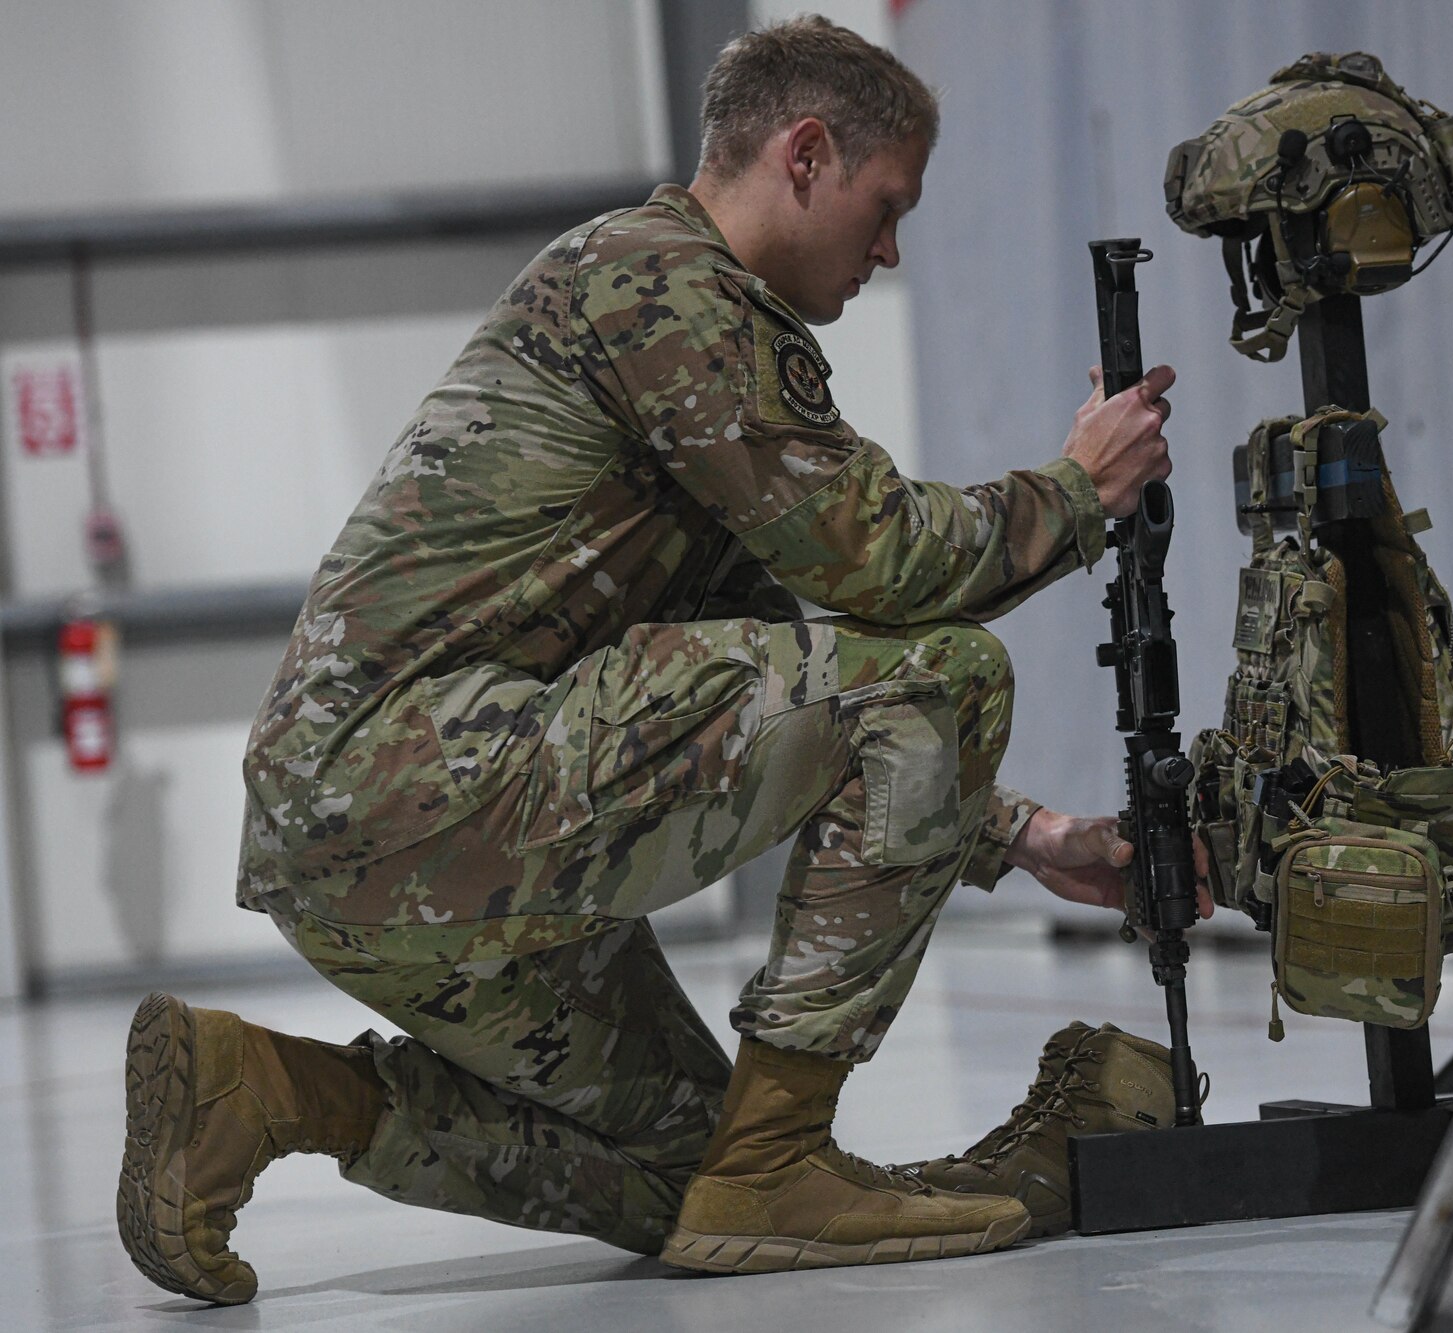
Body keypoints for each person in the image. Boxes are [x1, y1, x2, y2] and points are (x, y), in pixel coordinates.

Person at [117, 15, 1205, 1303]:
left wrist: (1019, 834)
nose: (892, 249)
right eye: (885, 204)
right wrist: (1079, 492)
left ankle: (269, 1092)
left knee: (687, 1187)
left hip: (368, 836)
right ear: (805, 153)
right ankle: (785, 1154)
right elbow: (882, 569)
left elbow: (811, 656)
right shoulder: (663, 284)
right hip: (428, 781)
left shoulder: (659, 305)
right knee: (950, 671)